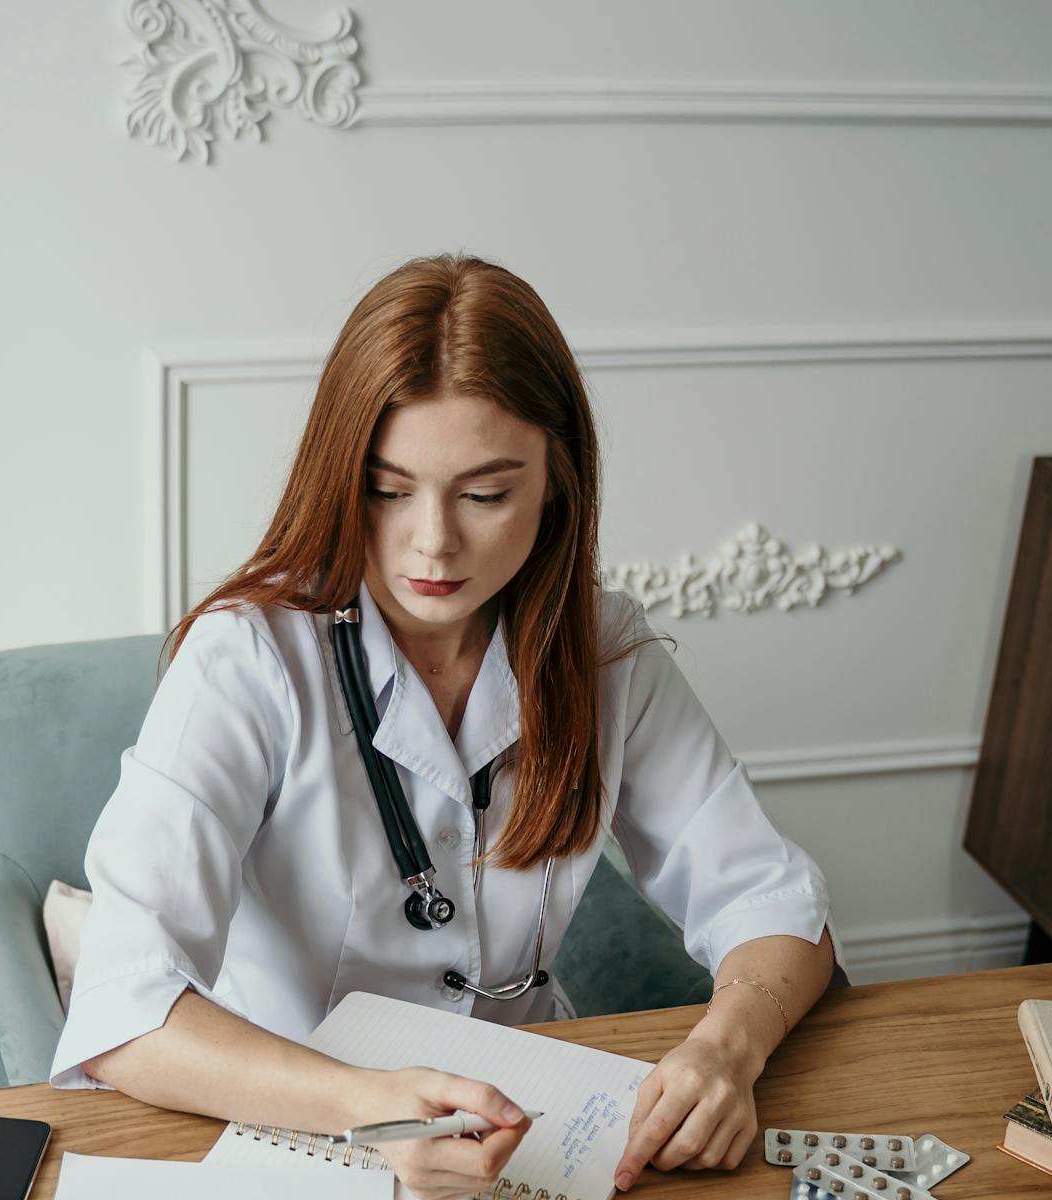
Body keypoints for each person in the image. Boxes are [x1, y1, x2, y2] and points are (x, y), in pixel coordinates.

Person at [49, 252, 847, 1199]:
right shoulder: (246, 658)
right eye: (389, 490)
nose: (432, 542)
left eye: (484, 494)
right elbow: (124, 1008)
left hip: (541, 1126)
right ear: (340, 475)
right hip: (301, 1124)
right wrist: (368, 1109)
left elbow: (772, 902)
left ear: (556, 484)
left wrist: (727, 1048)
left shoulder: (603, 647)